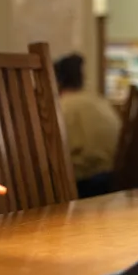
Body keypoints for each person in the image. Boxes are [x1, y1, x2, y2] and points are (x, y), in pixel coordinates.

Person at [53, 53, 122, 198]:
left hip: (90, 185)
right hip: (116, 179)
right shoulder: (99, 101)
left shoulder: (63, 107)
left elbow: (58, 155)